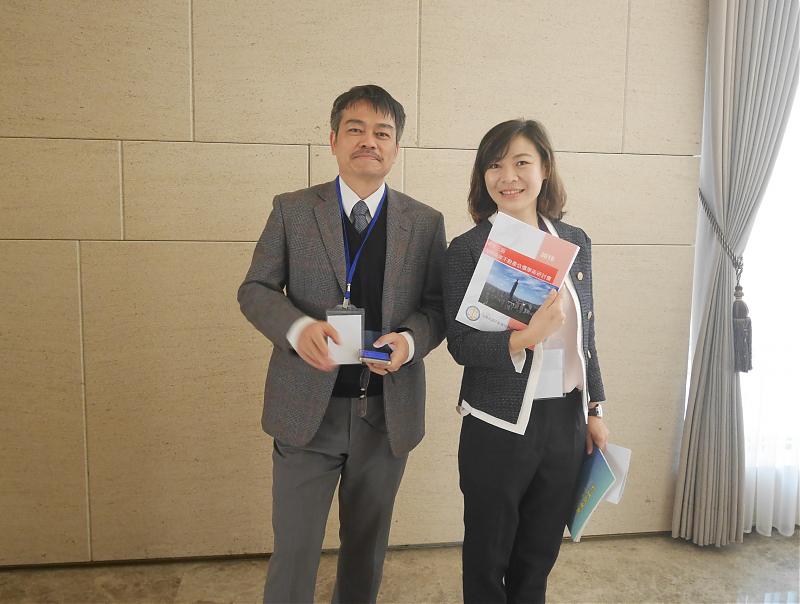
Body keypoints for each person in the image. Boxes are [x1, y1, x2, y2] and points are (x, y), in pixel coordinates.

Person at [238, 84, 446, 603]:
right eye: (356, 129)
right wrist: (297, 329)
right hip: (307, 411)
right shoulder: (292, 210)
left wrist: (410, 341)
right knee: (295, 551)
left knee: (365, 552)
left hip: (385, 413)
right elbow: (255, 289)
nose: (369, 141)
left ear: (396, 147)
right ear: (333, 140)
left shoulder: (425, 222)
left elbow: (438, 308)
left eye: (382, 132)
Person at [443, 119, 610, 603]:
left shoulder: (574, 241)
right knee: (487, 558)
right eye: (495, 165)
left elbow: (588, 337)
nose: (508, 177)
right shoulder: (467, 249)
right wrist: (526, 338)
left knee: (538, 557)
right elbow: (460, 345)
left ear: (544, 169)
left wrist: (595, 409)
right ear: (482, 176)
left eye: (521, 162)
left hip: (565, 421)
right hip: (497, 422)